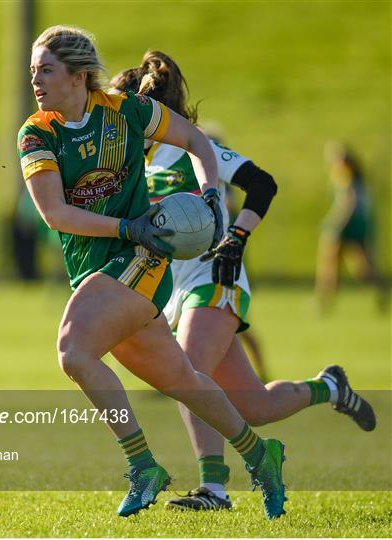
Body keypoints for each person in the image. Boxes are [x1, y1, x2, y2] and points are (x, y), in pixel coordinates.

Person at [18, 26, 287, 519]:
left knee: (73, 351)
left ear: (77, 76)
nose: (35, 80)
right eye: (33, 71)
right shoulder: (37, 133)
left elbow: (196, 140)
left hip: (141, 262)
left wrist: (210, 194)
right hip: (97, 269)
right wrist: (129, 224)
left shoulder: (127, 111)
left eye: (46, 70)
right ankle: (260, 454)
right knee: (183, 380)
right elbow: (56, 214)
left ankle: (142, 464)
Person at [110, 52, 376, 512]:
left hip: (216, 273)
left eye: (120, 106)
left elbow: (263, 185)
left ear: (144, 108)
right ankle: (330, 387)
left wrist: (236, 236)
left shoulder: (193, 147)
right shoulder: (130, 158)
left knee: (186, 370)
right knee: (253, 406)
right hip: (174, 291)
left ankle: (214, 491)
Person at [315, 141, 387, 313]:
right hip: (354, 225)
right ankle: (323, 303)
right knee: (331, 265)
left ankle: (384, 289)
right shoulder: (351, 176)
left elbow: (348, 202)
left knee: (358, 270)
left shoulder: (345, 176)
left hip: (349, 226)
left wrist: (334, 223)